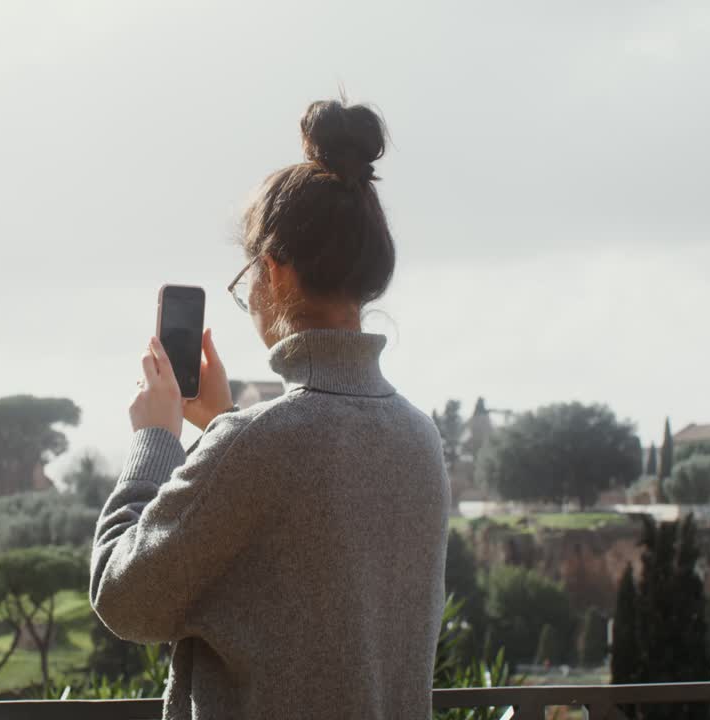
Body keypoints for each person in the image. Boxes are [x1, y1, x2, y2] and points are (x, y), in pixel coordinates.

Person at [90, 99, 450, 720]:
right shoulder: (420, 437)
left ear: (276, 273)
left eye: (249, 274)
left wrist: (156, 439)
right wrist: (219, 426)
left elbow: (125, 599)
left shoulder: (258, 443)